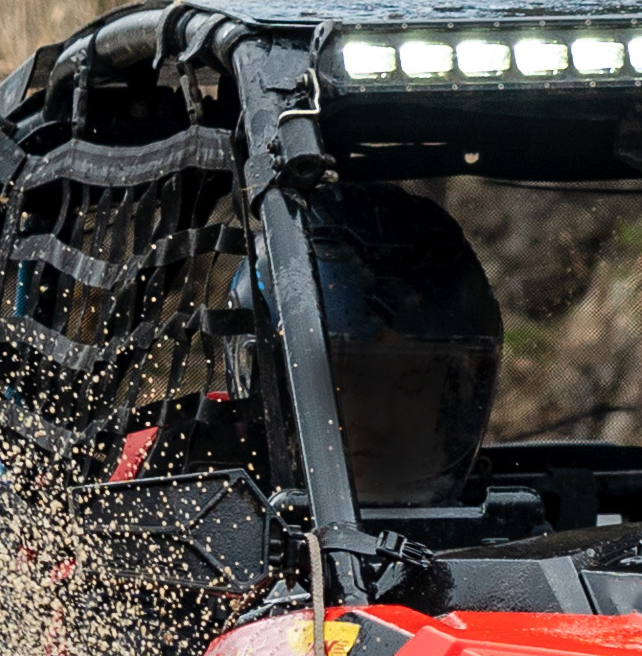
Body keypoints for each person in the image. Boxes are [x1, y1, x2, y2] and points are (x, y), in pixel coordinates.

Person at [120, 183, 504, 508]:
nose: (381, 419)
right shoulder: (165, 477)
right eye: (346, 382)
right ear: (268, 384)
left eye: (412, 384)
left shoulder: (506, 532)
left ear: (456, 400)